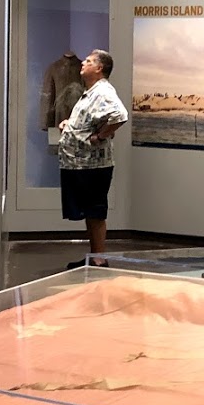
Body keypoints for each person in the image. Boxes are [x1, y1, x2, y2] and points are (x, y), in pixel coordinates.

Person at [57, 49, 128, 256]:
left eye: (88, 61)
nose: (83, 63)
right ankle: (95, 257)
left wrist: (100, 136)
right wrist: (69, 125)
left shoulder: (103, 91)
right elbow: (90, 119)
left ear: (99, 68)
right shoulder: (92, 91)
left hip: (92, 165)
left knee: (95, 212)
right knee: (90, 212)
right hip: (82, 164)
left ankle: (98, 260)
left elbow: (120, 115)